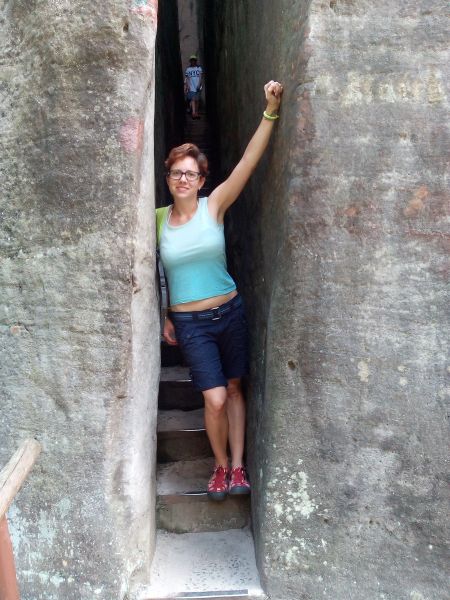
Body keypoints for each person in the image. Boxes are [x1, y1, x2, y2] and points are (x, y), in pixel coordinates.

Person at [159, 80, 283, 501]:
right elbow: (152, 272)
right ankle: (220, 464)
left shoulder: (213, 206)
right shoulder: (157, 220)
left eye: (190, 173)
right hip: (191, 324)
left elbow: (247, 162)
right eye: (176, 172)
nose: (183, 179)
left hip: (229, 312)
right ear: (168, 177)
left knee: (233, 389)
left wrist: (269, 111)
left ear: (201, 179)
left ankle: (239, 466)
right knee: (213, 398)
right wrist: (165, 312)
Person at [184, 55, 203, 119]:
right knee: (193, 99)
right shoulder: (188, 69)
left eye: (194, 60)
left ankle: (196, 112)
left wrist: (199, 84)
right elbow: (187, 78)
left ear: (195, 61)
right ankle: (193, 113)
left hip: (198, 86)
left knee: (197, 100)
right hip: (191, 87)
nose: (193, 61)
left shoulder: (199, 68)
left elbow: (200, 77)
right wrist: (188, 85)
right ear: (190, 61)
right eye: (192, 60)